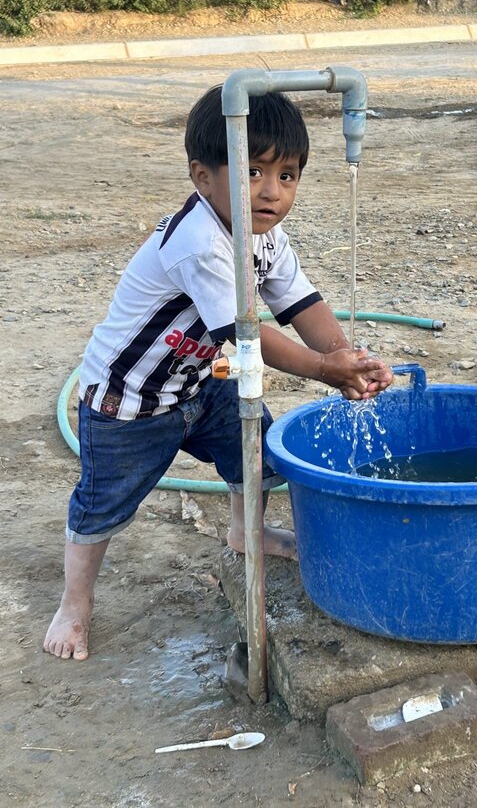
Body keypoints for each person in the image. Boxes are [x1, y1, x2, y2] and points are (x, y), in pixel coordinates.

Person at [44, 86, 393, 661]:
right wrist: (324, 370)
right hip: (128, 402)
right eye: (253, 171)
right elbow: (245, 332)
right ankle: (74, 604)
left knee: (254, 450)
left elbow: (300, 301)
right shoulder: (199, 242)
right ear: (203, 177)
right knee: (103, 503)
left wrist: (343, 356)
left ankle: (243, 531)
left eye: (287, 175)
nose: (272, 192)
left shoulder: (266, 236)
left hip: (203, 381)